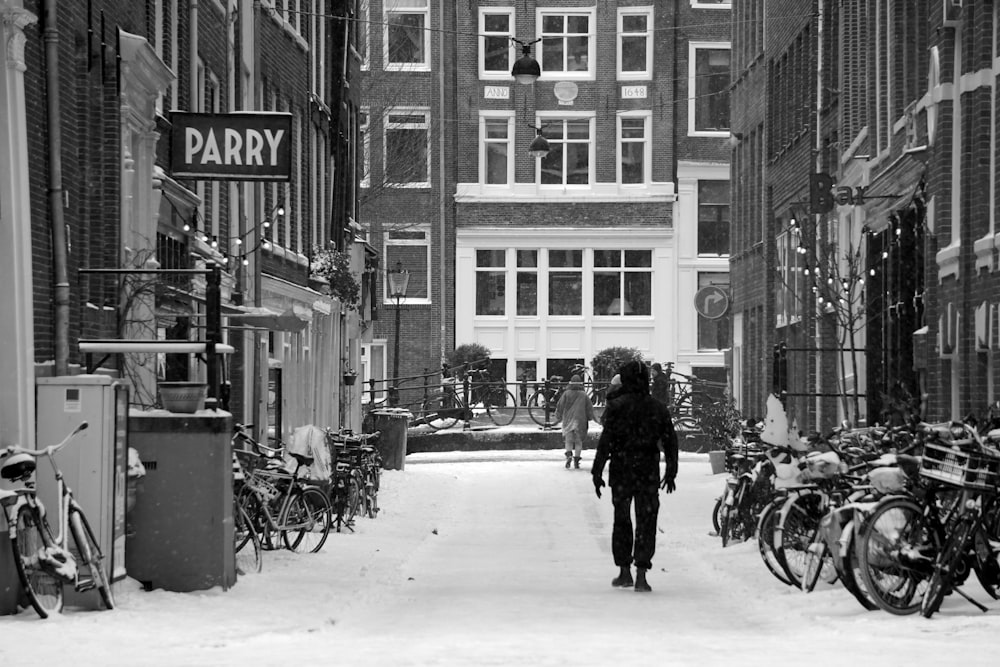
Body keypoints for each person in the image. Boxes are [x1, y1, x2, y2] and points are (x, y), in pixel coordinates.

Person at [591, 360, 678, 592]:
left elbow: (605, 442)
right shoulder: (657, 408)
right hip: (648, 471)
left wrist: (597, 470)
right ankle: (641, 572)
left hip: (621, 470)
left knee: (622, 519)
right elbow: (670, 442)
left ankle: (624, 570)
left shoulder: (617, 407)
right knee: (647, 520)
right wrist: (671, 471)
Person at [554, 374, 596, 469]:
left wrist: (558, 415)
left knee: (568, 441)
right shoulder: (583, 395)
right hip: (580, 421)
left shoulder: (566, 393)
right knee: (578, 442)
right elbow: (589, 408)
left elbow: (560, 405)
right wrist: (590, 417)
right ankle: (576, 460)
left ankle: (569, 456)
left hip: (568, 420)